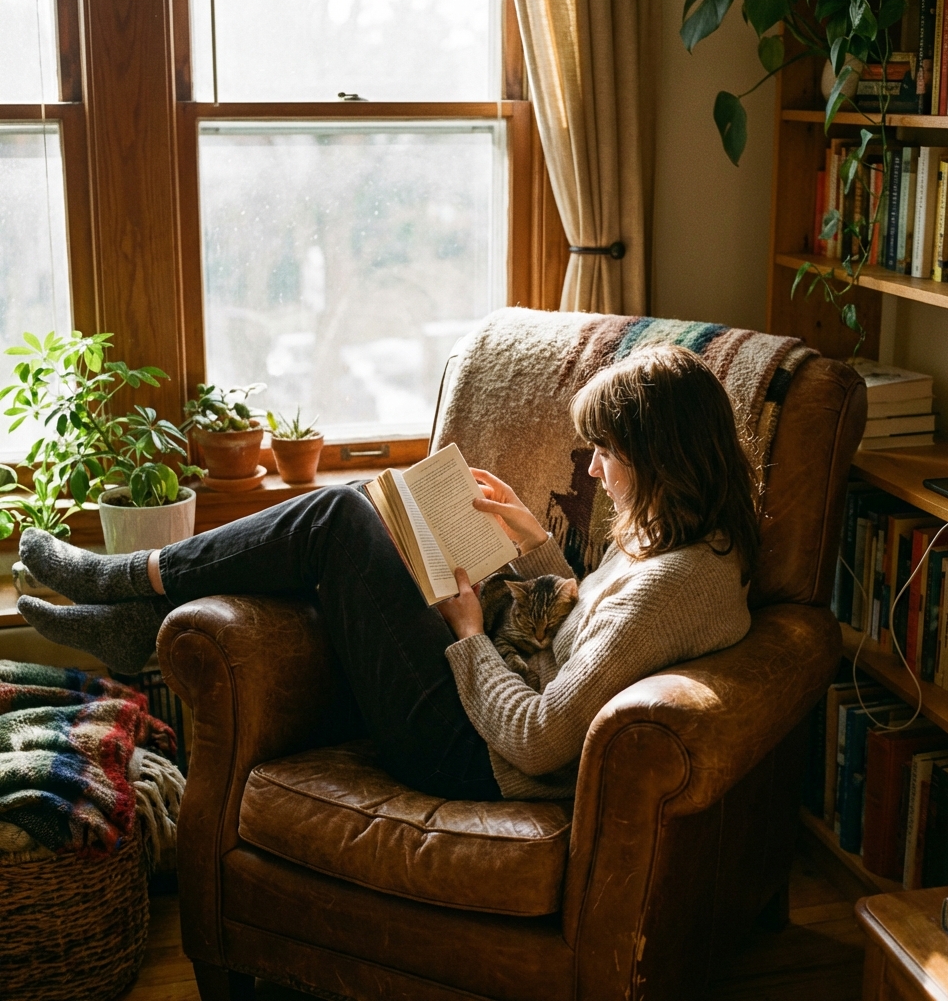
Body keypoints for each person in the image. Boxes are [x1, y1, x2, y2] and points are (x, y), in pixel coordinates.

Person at [16, 344, 756, 802]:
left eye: (607, 452)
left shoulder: (673, 589)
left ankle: (128, 581)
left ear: (661, 458)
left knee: (336, 519)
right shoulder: (693, 543)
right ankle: (138, 617)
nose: (593, 469)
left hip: (473, 757)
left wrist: (467, 635)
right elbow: (588, 634)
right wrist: (531, 541)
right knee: (344, 550)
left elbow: (538, 738)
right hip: (488, 702)